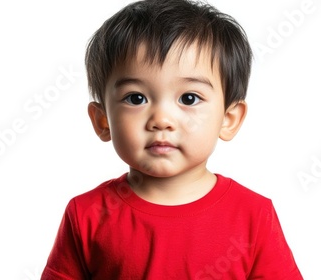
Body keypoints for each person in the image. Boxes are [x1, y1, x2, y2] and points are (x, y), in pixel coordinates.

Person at [42, 0, 303, 279]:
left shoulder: (254, 216)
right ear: (102, 120)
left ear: (229, 119)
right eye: (136, 98)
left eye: (189, 98)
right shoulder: (86, 215)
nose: (162, 119)